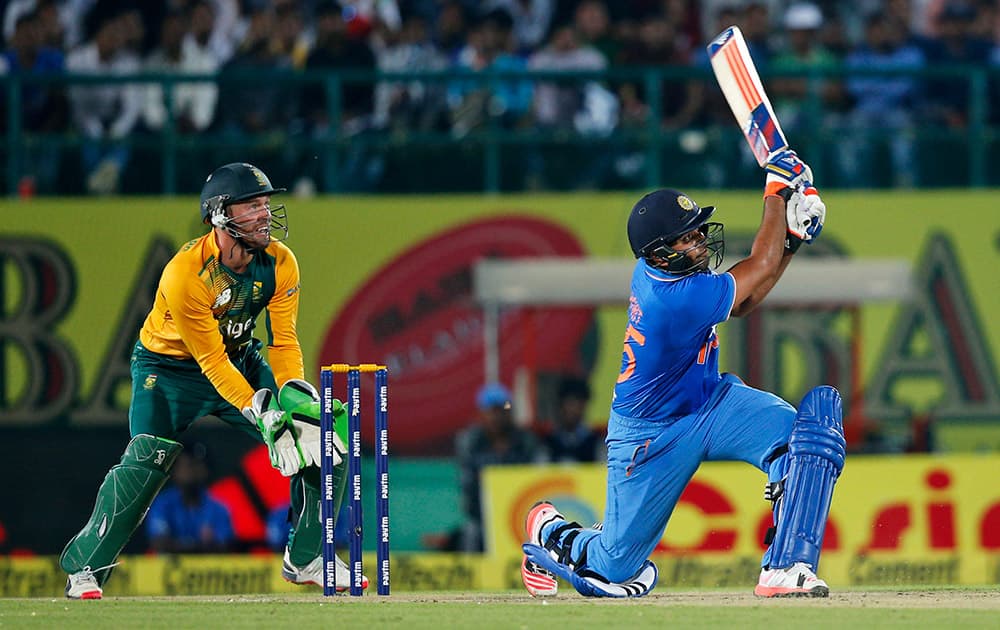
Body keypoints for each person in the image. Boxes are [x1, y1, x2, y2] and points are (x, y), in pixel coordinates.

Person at [520, 150, 845, 599]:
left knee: (807, 439)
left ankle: (786, 567)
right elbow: (760, 268)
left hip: (711, 403)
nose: (697, 241)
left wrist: (789, 237)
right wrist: (776, 193)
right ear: (658, 254)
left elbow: (746, 298)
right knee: (614, 567)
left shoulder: (668, 274)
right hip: (649, 435)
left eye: (695, 231)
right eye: (684, 238)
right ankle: (552, 530)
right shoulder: (670, 299)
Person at [59, 162, 363, 599]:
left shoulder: (280, 260)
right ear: (221, 215)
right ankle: (84, 568)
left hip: (241, 357)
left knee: (320, 437)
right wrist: (262, 413)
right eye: (252, 206)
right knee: (148, 458)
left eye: (265, 204)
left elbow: (283, 342)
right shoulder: (186, 274)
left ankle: (308, 556)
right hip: (169, 370)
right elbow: (209, 360)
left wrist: (293, 398)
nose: (265, 214)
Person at [453, 382, 544, 552]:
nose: (496, 416)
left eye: (502, 410)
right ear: (481, 414)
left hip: (520, 512)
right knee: (470, 533)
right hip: (482, 515)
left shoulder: (526, 442)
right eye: (490, 411)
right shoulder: (471, 442)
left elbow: (536, 478)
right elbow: (466, 485)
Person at [145, 443, 235, 554]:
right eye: (190, 465)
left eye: (199, 465)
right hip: (166, 568)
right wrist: (199, 545)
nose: (195, 471)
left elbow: (225, 545)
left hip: (204, 570)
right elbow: (158, 542)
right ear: (176, 470)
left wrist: (180, 545)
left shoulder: (218, 507)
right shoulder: (163, 504)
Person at [537, 376, 606, 462]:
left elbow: (603, 470)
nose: (572, 410)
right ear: (560, 406)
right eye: (569, 404)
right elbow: (538, 471)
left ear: (584, 406)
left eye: (577, 404)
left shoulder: (596, 442)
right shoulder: (548, 443)